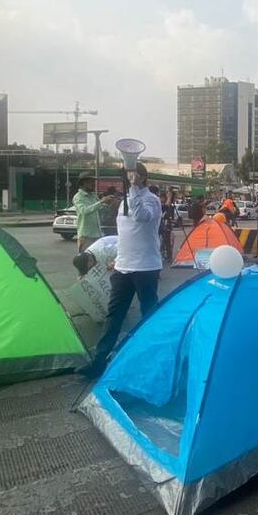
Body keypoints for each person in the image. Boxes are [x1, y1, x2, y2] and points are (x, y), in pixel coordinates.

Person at [82, 162, 162, 379]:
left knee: (149, 315)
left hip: (146, 268)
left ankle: (153, 360)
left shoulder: (152, 201)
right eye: (127, 176)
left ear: (143, 178)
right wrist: (117, 259)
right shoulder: (125, 201)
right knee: (114, 315)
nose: (130, 179)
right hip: (123, 267)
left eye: (134, 176)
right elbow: (126, 235)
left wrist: (135, 189)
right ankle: (98, 361)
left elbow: (141, 217)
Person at [73, 176, 115, 252]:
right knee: (86, 260)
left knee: (98, 260)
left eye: (93, 182)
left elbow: (101, 209)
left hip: (98, 234)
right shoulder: (78, 197)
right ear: (83, 183)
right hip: (86, 236)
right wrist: (101, 201)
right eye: (90, 182)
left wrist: (108, 203)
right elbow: (84, 211)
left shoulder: (93, 196)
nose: (93, 184)